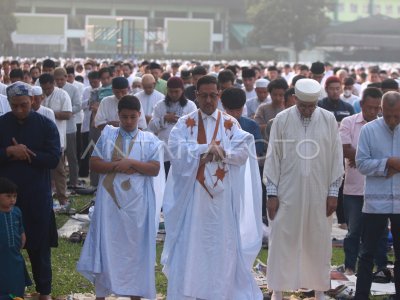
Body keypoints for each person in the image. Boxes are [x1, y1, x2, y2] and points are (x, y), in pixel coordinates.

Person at [161, 75, 263, 300]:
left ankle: (220, 292)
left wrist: (223, 153)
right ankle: (190, 290)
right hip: (193, 200)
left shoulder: (230, 123)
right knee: (192, 246)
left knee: (220, 247)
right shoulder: (184, 122)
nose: (208, 100)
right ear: (195, 96)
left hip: (221, 202)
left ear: (219, 95)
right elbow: (175, 151)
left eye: (212, 95)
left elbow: (244, 150)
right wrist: (206, 151)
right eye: (203, 95)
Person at [77, 95, 163, 300]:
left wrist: (130, 162)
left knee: (135, 250)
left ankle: (136, 294)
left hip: (138, 206)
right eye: (124, 117)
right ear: (118, 116)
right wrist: (117, 165)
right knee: (107, 245)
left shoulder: (149, 139)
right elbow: (94, 164)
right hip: (110, 203)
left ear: (140, 116)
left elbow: (154, 169)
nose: (129, 121)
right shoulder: (108, 134)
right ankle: (101, 294)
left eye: (133, 117)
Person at [264, 79, 344, 300]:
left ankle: (319, 290)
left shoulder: (328, 120)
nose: (308, 110)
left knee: (318, 239)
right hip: (287, 192)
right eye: (303, 106)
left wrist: (333, 193)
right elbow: (273, 159)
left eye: (312, 106)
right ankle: (278, 290)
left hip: (320, 193)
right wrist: (272, 194)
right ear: (295, 100)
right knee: (282, 238)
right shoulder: (282, 119)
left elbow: (336, 158)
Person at [0, 81, 61, 300]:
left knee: (39, 248)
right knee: (4, 248)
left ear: (32, 101)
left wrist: (28, 153)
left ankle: (44, 292)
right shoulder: (2, 124)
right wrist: (9, 151)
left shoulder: (45, 125)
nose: (19, 110)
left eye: (23, 105)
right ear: (9, 103)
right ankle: (9, 291)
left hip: (36, 195)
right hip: (4, 201)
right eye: (14, 105)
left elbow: (54, 158)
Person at [355, 91, 400, 299]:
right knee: (367, 254)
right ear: (381, 110)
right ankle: (361, 295)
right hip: (375, 204)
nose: (392, 120)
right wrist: (387, 163)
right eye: (388, 115)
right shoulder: (369, 130)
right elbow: (361, 164)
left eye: (397, 116)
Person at [339, 87, 388, 276]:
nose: (374, 112)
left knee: (381, 231)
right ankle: (350, 267)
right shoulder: (349, 122)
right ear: (361, 105)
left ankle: (381, 267)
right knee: (354, 231)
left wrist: (360, 158)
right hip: (354, 188)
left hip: (378, 187)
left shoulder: (386, 125)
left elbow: (389, 156)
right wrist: (371, 160)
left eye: (377, 108)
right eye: (370, 108)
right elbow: (344, 149)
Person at [148, 76, 197, 176]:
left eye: (176, 91)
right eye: (170, 91)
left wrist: (181, 121)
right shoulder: (160, 105)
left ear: (182, 90)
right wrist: (164, 119)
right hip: (165, 152)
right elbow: (151, 126)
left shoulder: (190, 106)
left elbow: (195, 128)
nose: (173, 94)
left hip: (183, 152)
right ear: (167, 90)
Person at [0, 177, 32, 298]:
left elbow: (21, 228)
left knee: (16, 276)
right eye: (8, 196)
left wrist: (23, 237)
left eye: (14, 196)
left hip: (14, 253)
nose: (12, 200)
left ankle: (17, 295)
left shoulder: (17, 211)